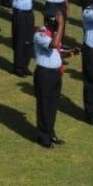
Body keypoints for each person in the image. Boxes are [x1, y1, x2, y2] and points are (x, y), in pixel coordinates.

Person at [33, 12, 76, 148]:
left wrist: (70, 53)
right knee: (44, 106)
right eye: (55, 23)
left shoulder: (53, 33)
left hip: (55, 74)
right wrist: (61, 25)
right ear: (48, 22)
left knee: (52, 105)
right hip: (44, 74)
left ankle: (50, 132)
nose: (57, 26)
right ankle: (43, 136)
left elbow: (57, 50)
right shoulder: (40, 34)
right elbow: (53, 44)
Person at [9, 0, 36, 76]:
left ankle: (25, 65)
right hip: (19, 14)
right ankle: (18, 67)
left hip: (29, 13)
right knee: (20, 41)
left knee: (28, 41)